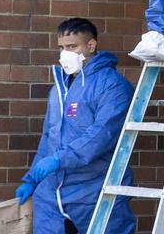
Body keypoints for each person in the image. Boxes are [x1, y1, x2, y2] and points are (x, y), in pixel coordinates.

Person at [17, 18, 135, 234]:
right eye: (61, 47)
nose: (65, 54)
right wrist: (32, 179)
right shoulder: (60, 88)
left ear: (91, 45)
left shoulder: (112, 86)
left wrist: (57, 160)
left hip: (94, 191)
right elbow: (48, 137)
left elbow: (101, 136)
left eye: (72, 46)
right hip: (51, 197)